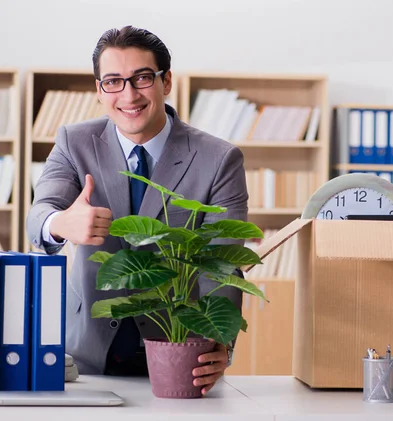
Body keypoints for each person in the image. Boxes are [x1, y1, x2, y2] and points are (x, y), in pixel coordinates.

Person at [26, 25, 248, 395]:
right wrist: (62, 223)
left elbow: (221, 260)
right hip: (86, 357)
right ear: (99, 90)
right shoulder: (73, 142)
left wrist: (219, 338)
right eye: (113, 81)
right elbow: (40, 214)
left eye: (142, 78)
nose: (129, 94)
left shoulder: (219, 159)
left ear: (167, 82)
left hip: (181, 357)